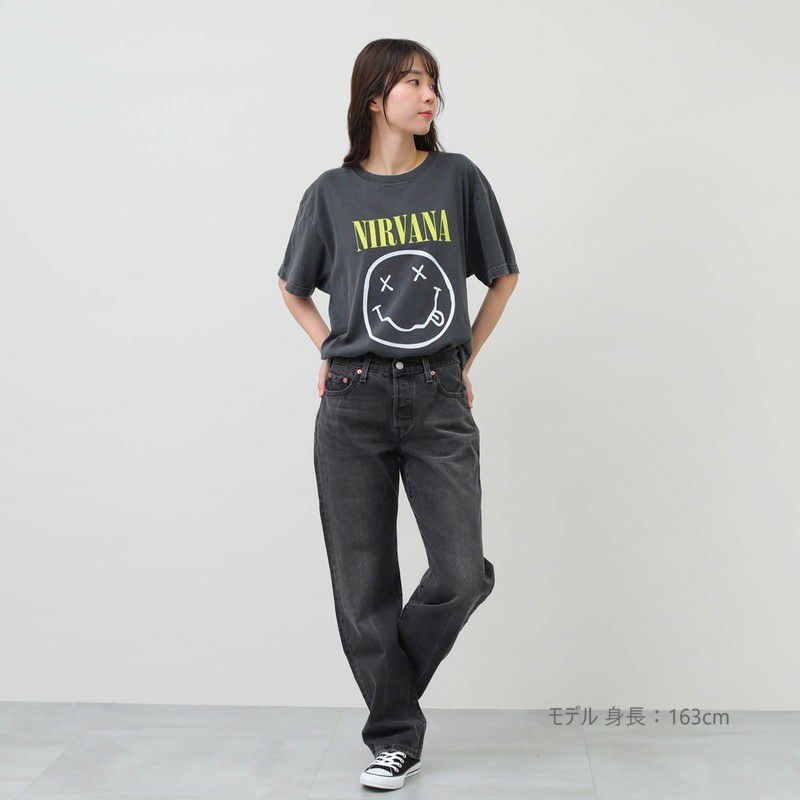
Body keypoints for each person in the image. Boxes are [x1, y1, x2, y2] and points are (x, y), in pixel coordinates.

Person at [277, 38, 519, 791]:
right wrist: (327, 347)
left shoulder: (457, 178)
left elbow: (503, 277)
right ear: (374, 97)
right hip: (352, 399)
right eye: (413, 81)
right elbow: (293, 287)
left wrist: (463, 362)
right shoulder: (330, 193)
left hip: (438, 395)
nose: (429, 95)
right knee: (363, 582)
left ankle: (392, 693)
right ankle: (394, 738)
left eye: (433, 82)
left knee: (461, 573)